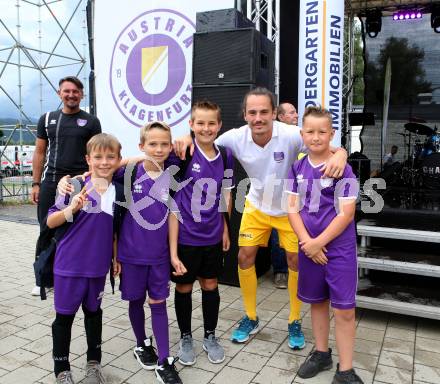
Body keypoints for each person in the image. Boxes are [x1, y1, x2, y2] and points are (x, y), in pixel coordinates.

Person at [173, 87, 348, 351]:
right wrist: (185, 138)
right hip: (256, 205)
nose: (258, 118)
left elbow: (327, 145)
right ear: (244, 115)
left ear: (274, 113)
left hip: (290, 208)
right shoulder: (234, 138)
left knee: (294, 260)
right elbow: (204, 136)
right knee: (245, 256)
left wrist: (343, 154)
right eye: (252, 112)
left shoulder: (290, 135)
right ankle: (251, 317)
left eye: (264, 112)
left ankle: (293, 320)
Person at [287, 106, 363, 384]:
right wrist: (308, 243)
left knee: (344, 309)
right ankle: (321, 353)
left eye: (322, 132)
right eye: (310, 131)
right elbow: (292, 209)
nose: (316, 137)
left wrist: (319, 242)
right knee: (317, 302)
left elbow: (346, 213)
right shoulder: (297, 167)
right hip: (309, 248)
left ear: (332, 134)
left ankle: (346, 370)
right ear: (302, 134)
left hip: (338, 250)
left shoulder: (343, 168)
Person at [47, 133, 121, 384]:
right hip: (69, 267)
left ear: (118, 160)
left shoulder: (116, 190)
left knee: (94, 314)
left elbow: (111, 230)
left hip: (98, 269)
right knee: (64, 318)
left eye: (110, 157)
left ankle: (93, 364)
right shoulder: (74, 186)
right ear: (88, 159)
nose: (104, 162)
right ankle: (62, 370)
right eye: (98, 157)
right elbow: (51, 221)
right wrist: (72, 208)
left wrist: (114, 258)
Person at [115, 121, 184, 384]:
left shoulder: (173, 175)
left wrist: (174, 255)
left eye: (164, 144)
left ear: (170, 146)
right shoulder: (130, 172)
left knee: (158, 304)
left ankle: (164, 361)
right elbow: (102, 168)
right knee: (135, 300)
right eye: (152, 144)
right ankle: (142, 344)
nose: (158, 149)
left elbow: (173, 217)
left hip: (159, 256)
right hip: (131, 254)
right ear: (142, 146)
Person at [169, 101, 234, 366]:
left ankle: (210, 335)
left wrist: (226, 226)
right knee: (184, 286)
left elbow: (226, 193)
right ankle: (186, 336)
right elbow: (171, 198)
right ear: (192, 125)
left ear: (219, 125)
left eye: (211, 123)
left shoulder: (227, 155)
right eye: (200, 123)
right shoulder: (183, 153)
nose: (206, 128)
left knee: (210, 284)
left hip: (213, 234)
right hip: (186, 236)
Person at [31, 76, 101, 296]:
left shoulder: (91, 121)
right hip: (51, 182)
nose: (71, 95)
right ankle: (42, 277)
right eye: (66, 91)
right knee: (46, 228)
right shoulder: (48, 119)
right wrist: (35, 183)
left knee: (72, 228)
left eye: (75, 91)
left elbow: (97, 152)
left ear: (82, 94)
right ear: (59, 93)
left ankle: (70, 272)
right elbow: (40, 152)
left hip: (78, 183)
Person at [271, 102, 300, 289]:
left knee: (299, 234)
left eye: (296, 112)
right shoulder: (273, 138)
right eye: (291, 113)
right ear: (280, 117)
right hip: (278, 194)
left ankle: (298, 271)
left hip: (302, 194)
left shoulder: (302, 135)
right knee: (277, 236)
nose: (296, 115)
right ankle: (280, 272)